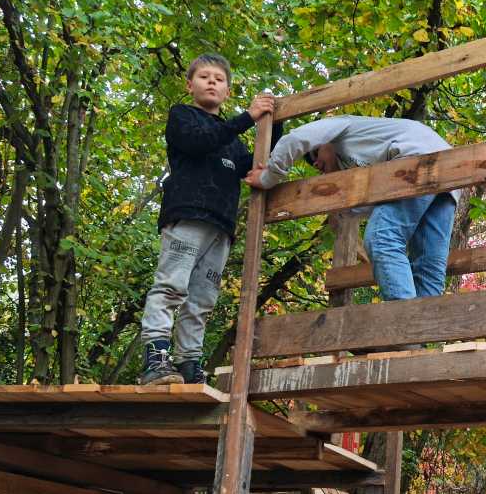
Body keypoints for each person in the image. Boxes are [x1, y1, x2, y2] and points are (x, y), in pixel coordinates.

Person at [139, 53, 275, 385]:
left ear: (227, 91)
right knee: (172, 285)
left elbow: (251, 163)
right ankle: (155, 358)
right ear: (189, 86)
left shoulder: (231, 138)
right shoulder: (183, 117)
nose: (212, 81)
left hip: (221, 225)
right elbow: (199, 143)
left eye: (219, 78)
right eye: (204, 77)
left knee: (202, 299)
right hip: (187, 215)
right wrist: (247, 117)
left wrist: (275, 122)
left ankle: (188, 363)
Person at [245, 116, 458, 314]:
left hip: (416, 157)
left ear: (325, 142)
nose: (316, 164)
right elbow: (379, 204)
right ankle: (420, 341)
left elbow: (296, 139)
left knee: (381, 239)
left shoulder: (340, 126)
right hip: (450, 174)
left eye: (314, 156)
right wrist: (343, 209)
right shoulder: (365, 158)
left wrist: (268, 177)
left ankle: (404, 326)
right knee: (428, 266)